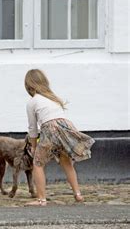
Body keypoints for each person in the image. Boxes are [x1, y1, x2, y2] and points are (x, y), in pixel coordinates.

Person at [23, 69, 95, 206]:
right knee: (66, 161)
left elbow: (33, 128)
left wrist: (33, 146)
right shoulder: (53, 98)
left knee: (37, 164)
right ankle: (78, 194)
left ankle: (41, 199)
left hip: (50, 129)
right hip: (65, 127)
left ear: (28, 85)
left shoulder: (32, 102)